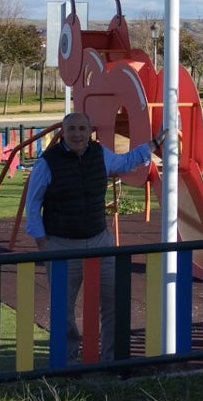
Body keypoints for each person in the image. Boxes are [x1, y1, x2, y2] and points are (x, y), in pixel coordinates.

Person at [24, 111, 165, 363]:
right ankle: (66, 359)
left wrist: (152, 145)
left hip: (100, 240)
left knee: (113, 301)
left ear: (90, 131)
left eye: (82, 129)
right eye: (72, 129)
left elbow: (125, 162)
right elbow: (32, 203)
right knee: (63, 307)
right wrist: (41, 240)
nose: (77, 134)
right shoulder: (48, 162)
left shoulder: (100, 154)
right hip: (62, 243)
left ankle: (112, 358)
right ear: (63, 133)